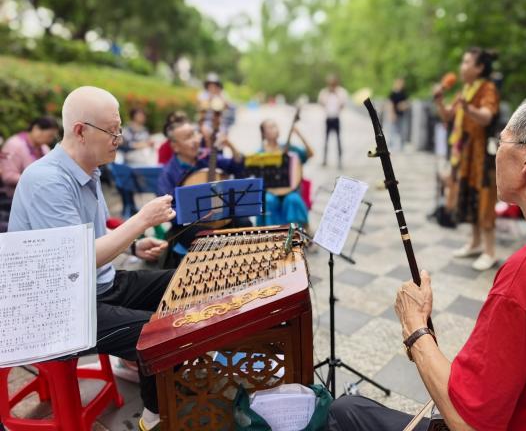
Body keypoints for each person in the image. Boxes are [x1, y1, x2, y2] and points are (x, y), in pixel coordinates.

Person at [327, 87, 526, 431]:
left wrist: (414, 327)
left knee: (343, 412)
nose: (494, 154)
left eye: (499, 144)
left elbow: (467, 421)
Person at [8, 86, 176, 431]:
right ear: (81, 130)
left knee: (180, 281)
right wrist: (141, 220)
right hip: (57, 309)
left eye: (119, 129)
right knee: (160, 333)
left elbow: (91, 235)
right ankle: (155, 415)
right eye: (112, 130)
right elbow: (75, 260)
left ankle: (152, 377)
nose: (119, 138)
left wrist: (133, 246)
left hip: (96, 286)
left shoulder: (89, 167)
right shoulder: (47, 181)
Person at [434, 48, 500, 271]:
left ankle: (490, 251)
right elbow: (449, 116)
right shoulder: (466, 88)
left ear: (479, 68)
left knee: (484, 198)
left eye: (466, 62)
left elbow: (486, 116)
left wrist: (467, 107)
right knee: (469, 196)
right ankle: (474, 243)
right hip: (464, 154)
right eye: (462, 62)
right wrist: (440, 102)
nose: (462, 67)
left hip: (481, 155)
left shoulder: (487, 88)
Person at [157, 120, 245, 264]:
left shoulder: (206, 157)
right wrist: (194, 214)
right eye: (187, 137)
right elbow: (166, 210)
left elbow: (236, 167)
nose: (194, 141)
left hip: (220, 218)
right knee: (204, 238)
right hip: (191, 226)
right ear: (175, 146)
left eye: (194, 134)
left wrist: (230, 144)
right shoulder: (168, 173)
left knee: (245, 223)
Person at [256, 119, 313, 228]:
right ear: (263, 133)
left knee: (293, 199)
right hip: (271, 191)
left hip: (290, 190)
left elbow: (309, 154)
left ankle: (297, 235)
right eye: (270, 127)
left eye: (275, 126)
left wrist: (299, 134)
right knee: (268, 200)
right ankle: (273, 236)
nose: (274, 129)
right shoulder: (260, 153)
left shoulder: (288, 147)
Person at [0, 116, 59, 197]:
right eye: (50, 136)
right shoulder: (14, 145)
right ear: (36, 129)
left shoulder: (44, 148)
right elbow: (8, 177)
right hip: (15, 197)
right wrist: (38, 179)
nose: (51, 140)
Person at [318, 74, 349, 168]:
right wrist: (328, 95)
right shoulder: (324, 92)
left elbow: (343, 104)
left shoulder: (341, 92)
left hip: (336, 118)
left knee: (338, 140)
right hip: (328, 117)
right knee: (326, 140)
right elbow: (321, 102)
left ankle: (340, 160)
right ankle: (325, 159)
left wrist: (336, 95)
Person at [388, 77, 410, 151]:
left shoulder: (403, 93)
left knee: (401, 131)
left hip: (402, 115)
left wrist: (404, 105)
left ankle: (400, 146)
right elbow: (390, 104)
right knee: (393, 131)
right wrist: (392, 114)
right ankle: (392, 146)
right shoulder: (393, 93)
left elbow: (407, 103)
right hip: (395, 114)